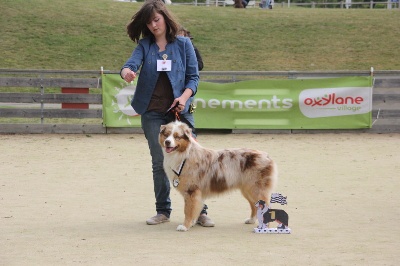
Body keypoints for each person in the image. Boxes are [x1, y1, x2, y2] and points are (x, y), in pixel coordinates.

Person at [120, 0, 214, 227]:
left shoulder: (183, 44)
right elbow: (130, 64)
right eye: (149, 22)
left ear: (164, 17)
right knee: (159, 161)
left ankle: (200, 211)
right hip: (151, 112)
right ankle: (163, 210)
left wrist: (183, 98)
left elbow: (193, 77)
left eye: (156, 19)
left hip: (179, 112)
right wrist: (127, 71)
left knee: (193, 161)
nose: (153, 25)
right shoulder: (145, 45)